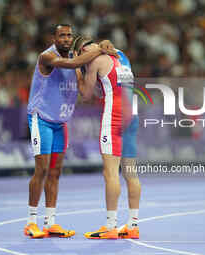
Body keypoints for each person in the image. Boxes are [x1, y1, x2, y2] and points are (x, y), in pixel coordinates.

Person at [24, 25, 118, 238]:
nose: (66, 39)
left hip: (61, 123)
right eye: (62, 35)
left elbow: (85, 91)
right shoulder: (47, 57)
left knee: (55, 173)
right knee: (42, 170)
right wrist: (100, 49)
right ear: (54, 38)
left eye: (69, 36)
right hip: (42, 120)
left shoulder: (77, 65)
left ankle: (50, 222)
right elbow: (73, 62)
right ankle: (31, 222)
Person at [74, 37, 141, 239]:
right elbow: (108, 84)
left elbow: (85, 94)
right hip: (133, 114)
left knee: (110, 172)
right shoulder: (120, 54)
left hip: (115, 116)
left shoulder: (95, 61)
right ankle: (133, 225)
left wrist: (77, 70)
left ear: (84, 50)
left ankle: (111, 226)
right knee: (131, 173)